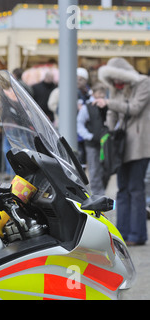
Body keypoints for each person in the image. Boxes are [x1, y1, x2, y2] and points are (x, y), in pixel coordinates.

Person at [95, 57, 150, 246]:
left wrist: (109, 103)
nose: (116, 84)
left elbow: (135, 108)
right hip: (121, 145)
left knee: (135, 190)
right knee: (122, 190)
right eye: (112, 81)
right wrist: (109, 131)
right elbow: (112, 113)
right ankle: (122, 233)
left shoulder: (144, 83)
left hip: (139, 144)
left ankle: (137, 235)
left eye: (118, 80)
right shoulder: (115, 88)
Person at [77, 83, 108, 196]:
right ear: (94, 93)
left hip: (106, 143)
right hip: (92, 143)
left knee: (105, 169)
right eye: (99, 93)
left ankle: (101, 191)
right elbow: (79, 124)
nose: (102, 95)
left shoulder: (107, 105)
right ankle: (97, 194)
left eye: (103, 93)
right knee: (94, 169)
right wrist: (90, 136)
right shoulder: (87, 107)